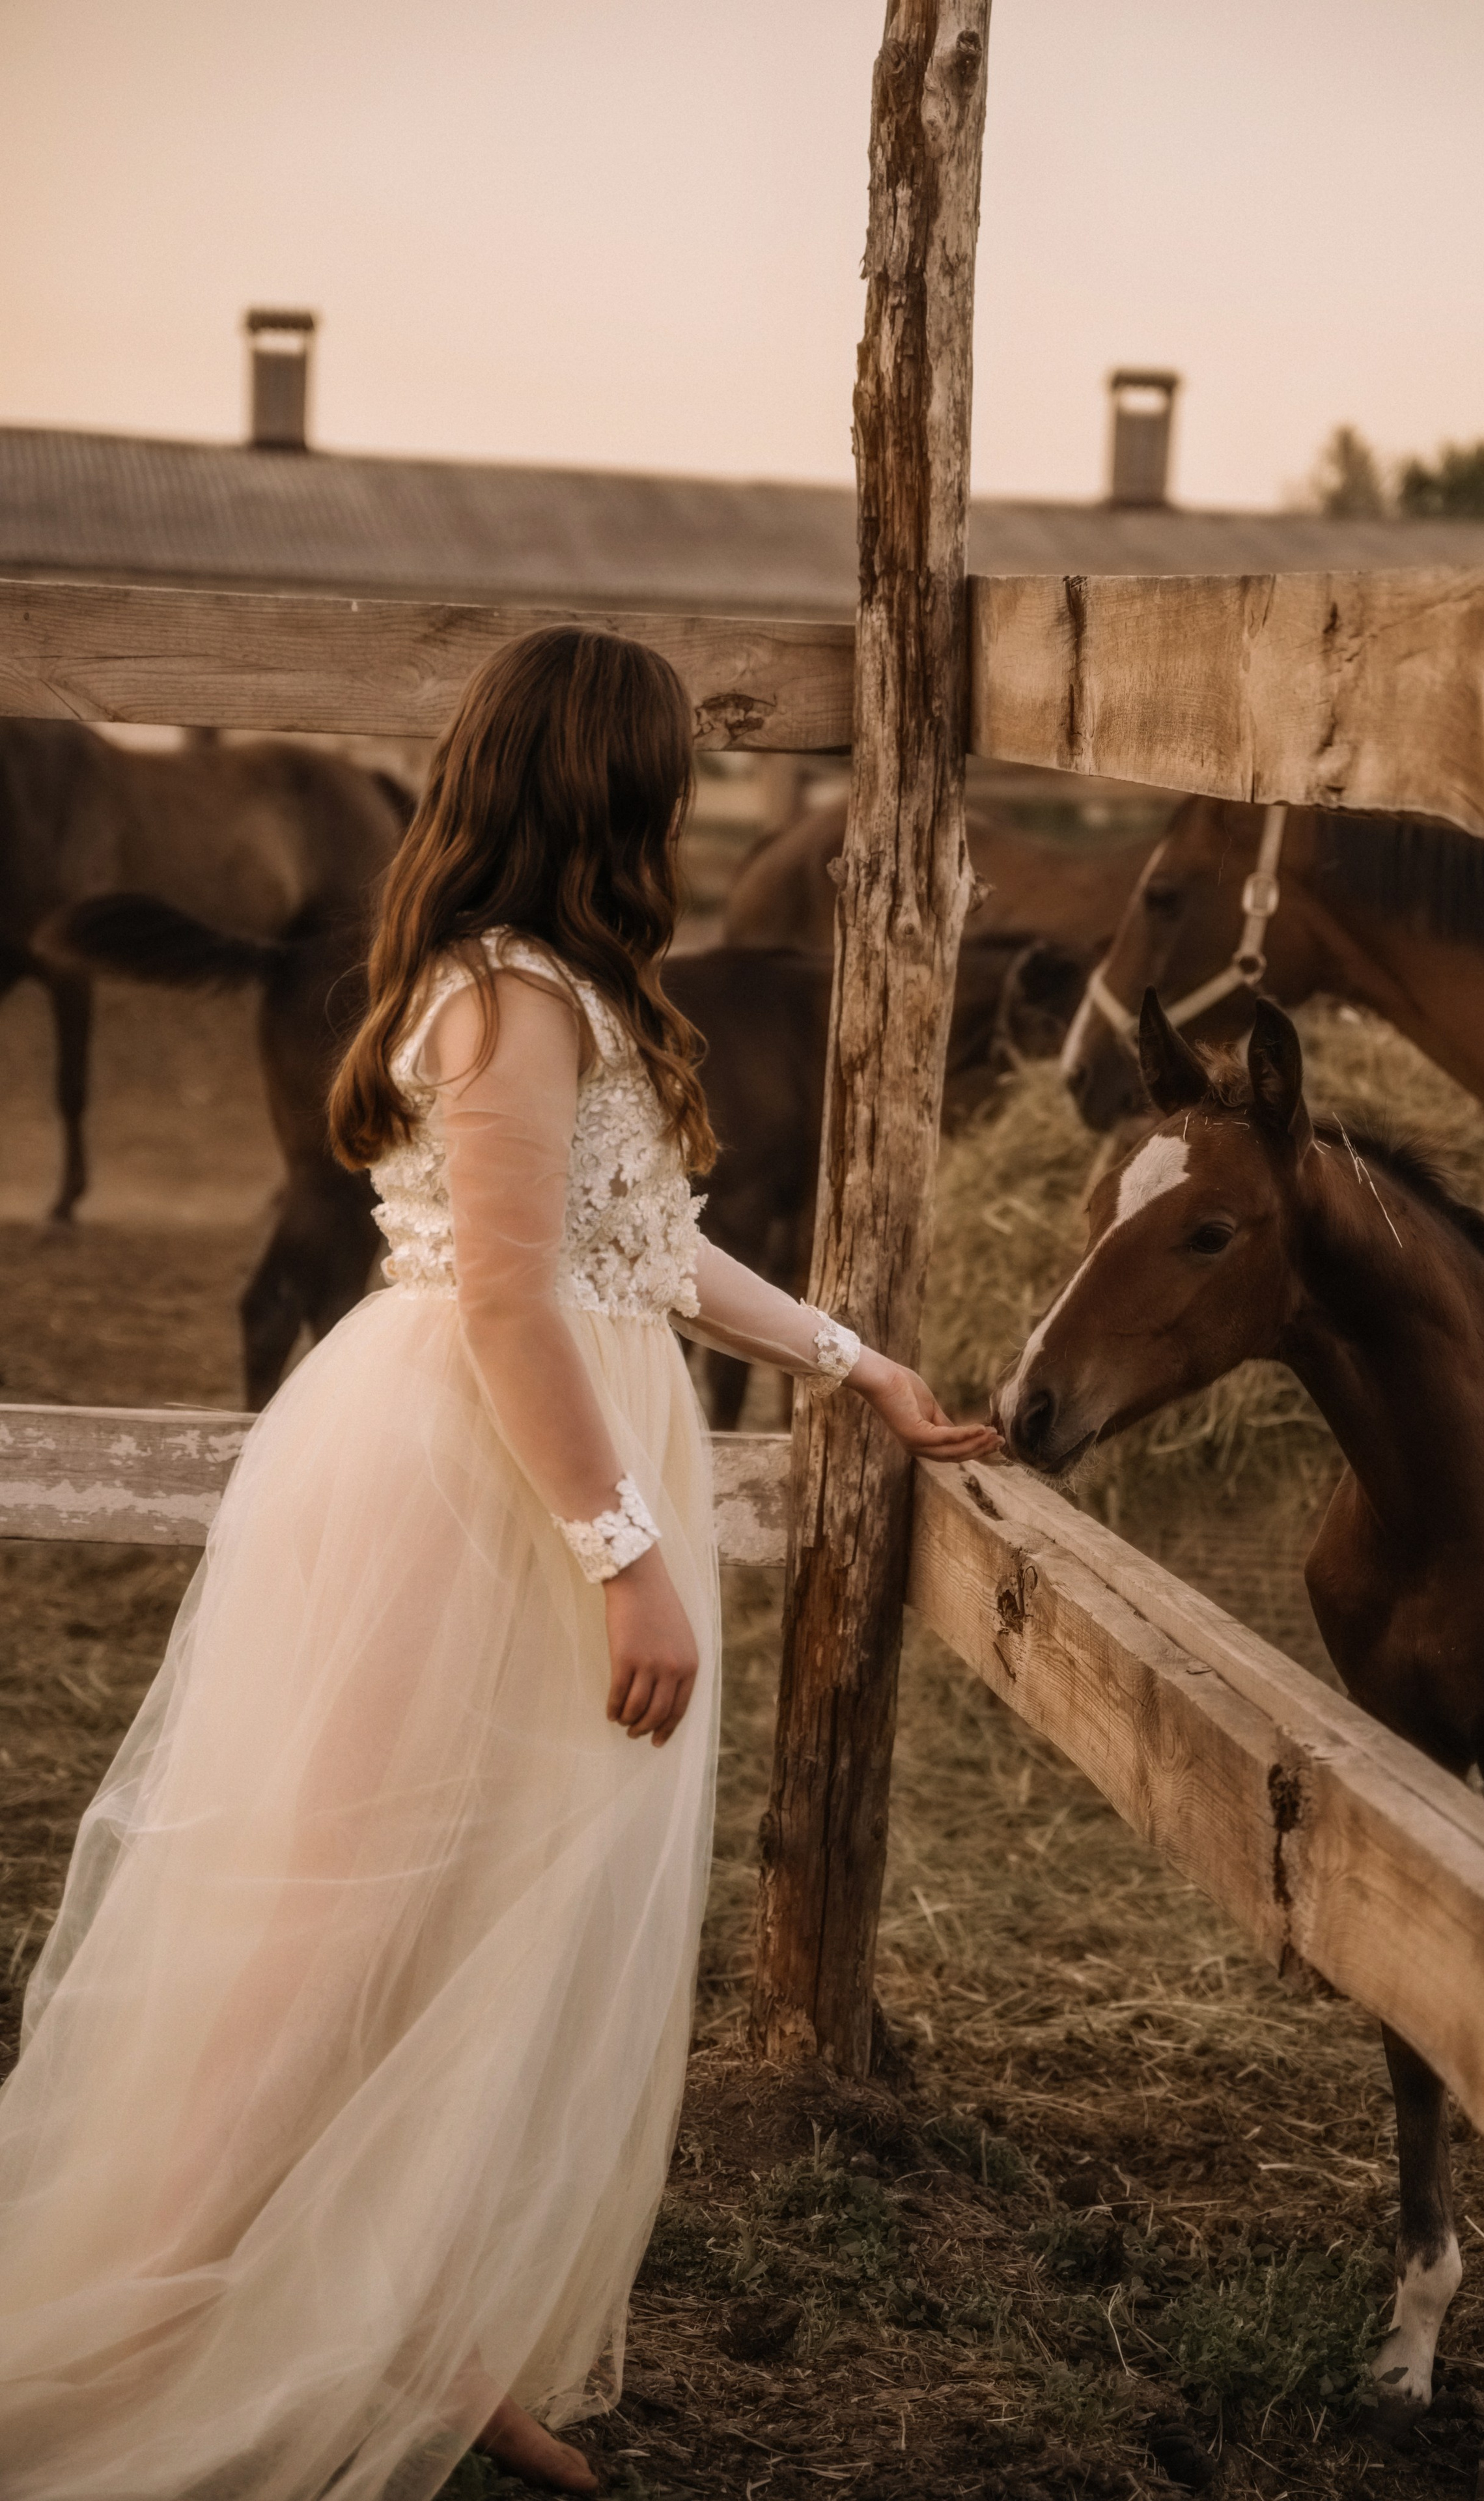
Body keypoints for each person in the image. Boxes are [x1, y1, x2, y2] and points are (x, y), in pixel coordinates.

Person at [0, 627, 997, 2501]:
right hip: (480, 1488)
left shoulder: (570, 991)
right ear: (602, 786)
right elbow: (517, 1306)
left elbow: (643, 1254)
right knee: (346, 1920)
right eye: (666, 772)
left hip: (540, 1480)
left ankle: (422, 2336)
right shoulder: (512, 997)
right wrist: (626, 1555)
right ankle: (123, 2323)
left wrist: (856, 1367)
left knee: (465, 1921)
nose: (688, 804)